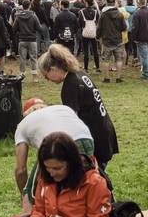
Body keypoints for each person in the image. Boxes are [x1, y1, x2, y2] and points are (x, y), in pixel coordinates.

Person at [38, 44, 119, 172]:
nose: (47, 79)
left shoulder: (70, 85)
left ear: (53, 69)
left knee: (93, 180)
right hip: (105, 132)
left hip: (95, 139)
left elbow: (71, 122)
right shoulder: (79, 73)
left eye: (46, 75)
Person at [14, 98, 94, 211]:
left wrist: (24, 193)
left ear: (26, 114)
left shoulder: (22, 125)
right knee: (85, 180)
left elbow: (20, 170)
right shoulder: (63, 109)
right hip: (87, 139)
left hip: (57, 143)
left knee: (31, 194)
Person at [25, 132, 111, 217]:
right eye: (47, 167)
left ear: (71, 162)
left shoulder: (94, 183)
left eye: (57, 168)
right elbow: (38, 210)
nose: (51, 173)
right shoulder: (45, 178)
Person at [97, 0, 128, 84]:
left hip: (107, 40)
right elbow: (124, 27)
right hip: (118, 40)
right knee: (119, 60)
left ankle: (107, 78)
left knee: (106, 60)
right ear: (114, 3)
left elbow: (99, 27)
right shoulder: (119, 14)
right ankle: (118, 78)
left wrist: (97, 36)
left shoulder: (103, 15)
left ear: (107, 3)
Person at [12, 0, 42, 81]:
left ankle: (22, 76)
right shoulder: (33, 16)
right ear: (29, 6)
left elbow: (14, 28)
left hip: (22, 39)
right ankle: (35, 77)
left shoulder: (18, 16)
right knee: (33, 58)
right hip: (32, 39)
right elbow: (39, 28)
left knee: (22, 58)